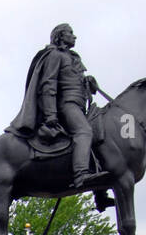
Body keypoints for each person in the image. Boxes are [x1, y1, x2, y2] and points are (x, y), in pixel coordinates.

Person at [7, 24, 101, 190]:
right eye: (70, 33)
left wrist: (87, 82)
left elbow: (73, 82)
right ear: (60, 36)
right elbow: (48, 85)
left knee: (99, 138)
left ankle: (100, 193)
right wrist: (51, 115)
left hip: (80, 106)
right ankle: (81, 176)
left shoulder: (72, 58)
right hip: (67, 105)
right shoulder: (55, 56)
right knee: (84, 132)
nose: (74, 36)